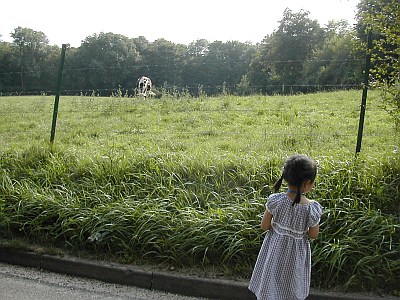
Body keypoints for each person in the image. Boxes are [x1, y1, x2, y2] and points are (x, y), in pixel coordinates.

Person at [248, 154, 323, 300]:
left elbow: (264, 226)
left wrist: (279, 229)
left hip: (274, 249)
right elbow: (313, 235)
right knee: (292, 284)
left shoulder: (276, 201)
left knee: (271, 280)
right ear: (308, 183)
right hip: (296, 254)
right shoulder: (311, 209)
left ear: (286, 177)